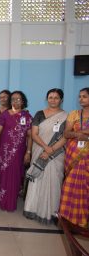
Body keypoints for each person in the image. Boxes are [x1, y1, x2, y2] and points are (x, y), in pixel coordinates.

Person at [23, 88, 67, 224]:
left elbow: (65, 136)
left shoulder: (66, 116)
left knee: (54, 180)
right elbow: (34, 134)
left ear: (61, 100)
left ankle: (51, 212)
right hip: (39, 150)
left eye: (56, 97)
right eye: (50, 97)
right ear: (46, 99)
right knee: (37, 179)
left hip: (56, 154)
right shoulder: (39, 114)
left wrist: (51, 149)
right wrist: (46, 147)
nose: (53, 100)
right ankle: (33, 209)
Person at [0, 91, 32, 212]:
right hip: (4, 152)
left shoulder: (27, 116)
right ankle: (3, 200)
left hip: (19, 153)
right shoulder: (4, 115)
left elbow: (30, 136)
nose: (15, 101)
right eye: (13, 99)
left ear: (23, 101)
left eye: (18, 99)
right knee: (4, 176)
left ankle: (11, 203)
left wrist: (28, 152)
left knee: (15, 177)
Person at [59, 87, 89, 227]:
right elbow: (66, 134)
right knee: (70, 183)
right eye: (80, 96)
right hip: (73, 153)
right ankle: (68, 219)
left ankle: (84, 220)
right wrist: (81, 134)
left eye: (84, 96)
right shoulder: (74, 114)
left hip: (87, 154)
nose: (81, 99)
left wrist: (81, 133)